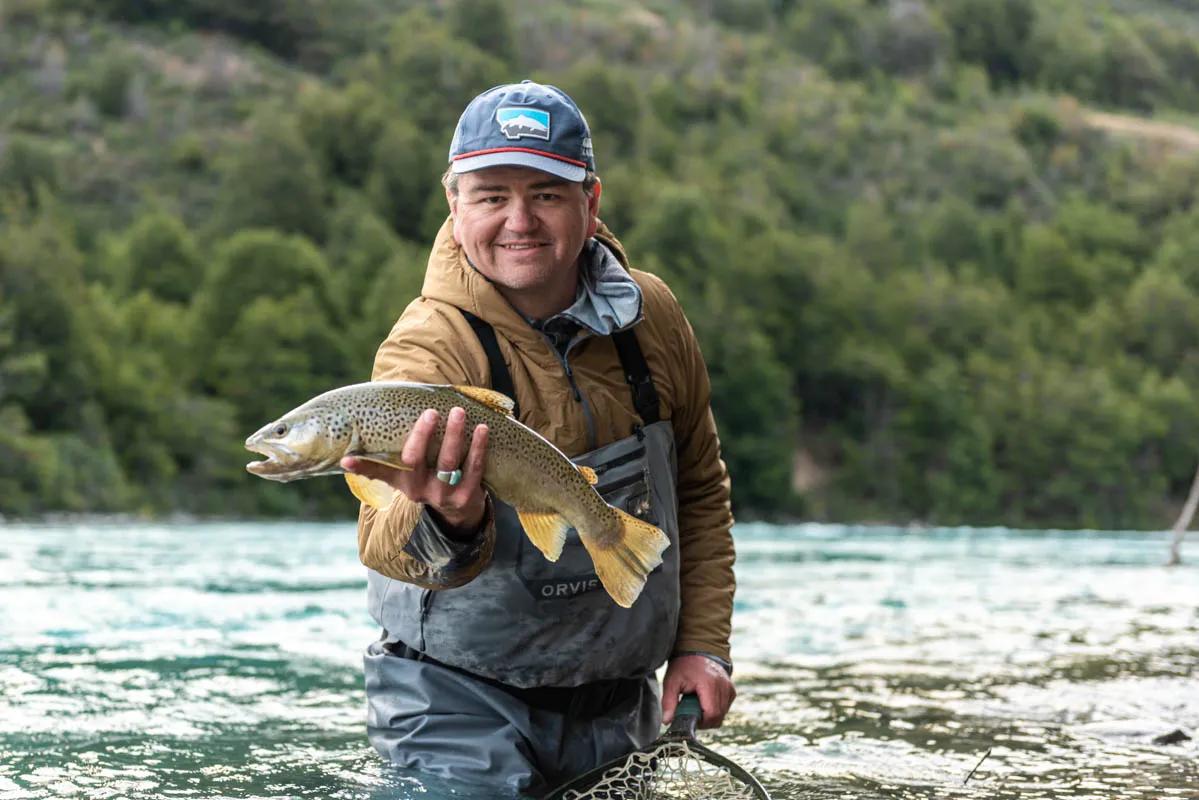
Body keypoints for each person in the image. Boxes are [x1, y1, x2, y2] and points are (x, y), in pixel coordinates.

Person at [341, 80, 736, 797]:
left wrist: (702, 646)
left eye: (546, 194)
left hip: (618, 704)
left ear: (590, 205)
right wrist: (445, 518)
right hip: (452, 702)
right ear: (454, 204)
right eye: (491, 195)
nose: (518, 220)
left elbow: (699, 489)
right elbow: (381, 538)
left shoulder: (652, 319)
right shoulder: (427, 347)